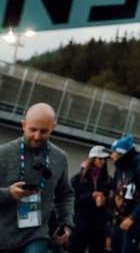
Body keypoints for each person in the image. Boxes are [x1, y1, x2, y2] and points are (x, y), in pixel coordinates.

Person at [0, 102, 74, 253]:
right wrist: (8, 194)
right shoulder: (3, 154)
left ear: (52, 128)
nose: (37, 136)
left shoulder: (59, 158)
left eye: (44, 131)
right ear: (23, 125)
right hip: (3, 233)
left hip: (36, 234)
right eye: (33, 129)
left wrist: (66, 225)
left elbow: (65, 194)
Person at [106, 136, 140, 253]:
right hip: (118, 219)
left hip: (134, 221)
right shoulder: (119, 170)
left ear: (121, 153)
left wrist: (132, 218)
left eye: (114, 152)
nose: (111, 156)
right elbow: (115, 191)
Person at [68, 146, 112, 253]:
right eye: (100, 159)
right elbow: (71, 200)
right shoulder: (78, 179)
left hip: (99, 225)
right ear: (93, 159)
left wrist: (104, 200)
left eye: (104, 159)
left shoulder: (108, 180)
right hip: (81, 223)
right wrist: (90, 196)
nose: (102, 162)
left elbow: (112, 199)